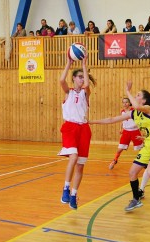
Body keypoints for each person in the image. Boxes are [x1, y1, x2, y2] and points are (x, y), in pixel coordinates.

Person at [90, 82, 150, 218]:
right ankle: (136, 199)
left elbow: (136, 105)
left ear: (144, 100)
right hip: (148, 144)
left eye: (138, 95)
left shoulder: (148, 108)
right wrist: (91, 121)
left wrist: (127, 91)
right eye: (135, 95)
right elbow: (112, 119)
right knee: (132, 172)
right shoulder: (134, 113)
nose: (135, 96)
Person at [58, 53, 96, 210]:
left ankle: (74, 194)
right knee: (73, 156)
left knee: (80, 166)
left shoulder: (85, 94)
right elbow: (61, 80)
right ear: (73, 79)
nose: (81, 79)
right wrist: (68, 62)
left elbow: (87, 84)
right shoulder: (69, 92)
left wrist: (84, 64)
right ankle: (65, 188)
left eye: (82, 77)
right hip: (70, 128)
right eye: (79, 77)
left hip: (84, 129)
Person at [109, 98, 143, 170]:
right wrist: (121, 128)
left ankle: (144, 162)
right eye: (123, 102)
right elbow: (122, 120)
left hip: (135, 131)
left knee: (141, 148)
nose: (125, 104)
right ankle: (114, 160)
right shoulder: (122, 112)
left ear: (129, 103)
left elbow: (140, 119)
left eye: (126, 102)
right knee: (120, 149)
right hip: (126, 132)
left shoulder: (134, 110)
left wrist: (139, 127)